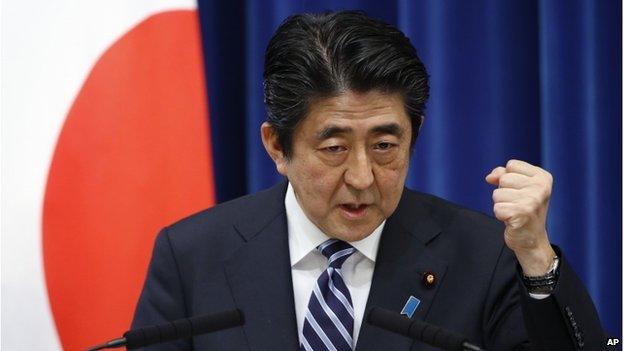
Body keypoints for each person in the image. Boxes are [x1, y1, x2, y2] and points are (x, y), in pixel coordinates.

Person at [131, 11, 605, 350]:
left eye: (384, 146)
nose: (362, 178)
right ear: (277, 146)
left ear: (414, 136)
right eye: (334, 148)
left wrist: (537, 259)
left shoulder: (484, 256)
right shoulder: (192, 257)